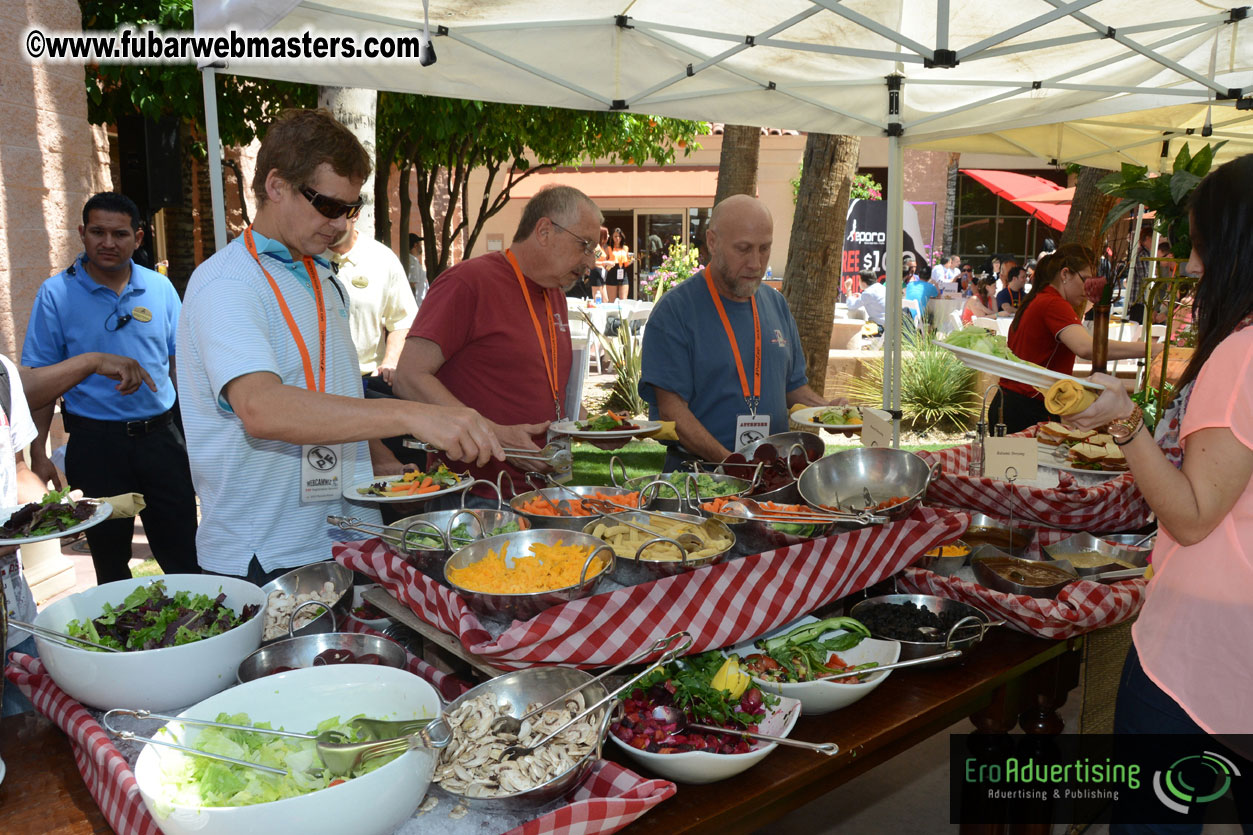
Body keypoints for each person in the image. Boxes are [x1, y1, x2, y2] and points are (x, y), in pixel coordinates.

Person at [177, 109, 502, 583]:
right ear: (275, 186)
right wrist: (409, 414)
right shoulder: (227, 282)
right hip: (267, 552)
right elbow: (261, 408)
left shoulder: (322, 277)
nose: (340, 224)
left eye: (350, 209)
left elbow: (334, 390)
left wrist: (379, 454)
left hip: (343, 532)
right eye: (328, 205)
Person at [1064, 153, 1253, 790]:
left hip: (1202, 644)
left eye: (1201, 246)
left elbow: (1193, 517)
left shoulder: (1241, 354)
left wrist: (1126, 424)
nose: (1193, 267)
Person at [21, 192, 199, 584]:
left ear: (138, 238)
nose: (107, 242)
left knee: (184, 555)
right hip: (96, 447)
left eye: (119, 234)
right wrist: (37, 451)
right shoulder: (56, 294)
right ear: (82, 233)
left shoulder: (160, 288)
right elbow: (40, 380)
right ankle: (120, 643)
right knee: (110, 563)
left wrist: (196, 438)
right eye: (97, 232)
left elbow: (183, 366)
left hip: (162, 442)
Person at [394, 184, 601, 501]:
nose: (591, 262)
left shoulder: (554, 293)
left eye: (593, 250)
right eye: (585, 245)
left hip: (539, 491)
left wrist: (599, 430)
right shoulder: (467, 283)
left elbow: (544, 388)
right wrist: (494, 434)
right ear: (544, 231)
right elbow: (408, 377)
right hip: (472, 493)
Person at [638, 195, 841, 470]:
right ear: (712, 242)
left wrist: (832, 412)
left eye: (764, 248)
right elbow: (671, 412)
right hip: (699, 481)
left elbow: (794, 387)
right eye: (743, 249)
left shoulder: (776, 303)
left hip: (769, 478)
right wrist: (733, 465)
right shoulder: (675, 312)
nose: (756, 263)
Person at [989, 244, 1160, 432]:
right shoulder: (1054, 303)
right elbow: (1086, 348)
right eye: (1085, 279)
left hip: (1011, 403)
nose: (1087, 287)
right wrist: (1150, 349)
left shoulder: (1040, 298)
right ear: (1065, 274)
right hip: (1028, 408)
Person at [329, 218, 419, 392]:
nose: (329, 219)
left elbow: (403, 321)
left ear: (356, 213)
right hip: (310, 384)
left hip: (366, 383)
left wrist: (390, 361)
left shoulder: (382, 259)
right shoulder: (300, 256)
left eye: (337, 209)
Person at [847, 269, 887, 334]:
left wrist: (848, 288)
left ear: (863, 283)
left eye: (859, 280)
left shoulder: (868, 293)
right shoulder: (882, 287)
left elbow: (851, 305)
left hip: (880, 328)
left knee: (851, 330)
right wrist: (861, 296)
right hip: (888, 325)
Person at [1126, 228, 1153, 324]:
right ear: (1148, 239)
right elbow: (1145, 277)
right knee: (1136, 329)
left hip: (1141, 300)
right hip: (1139, 300)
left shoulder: (1146, 254)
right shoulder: (1142, 254)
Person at [604, 227, 632, 302]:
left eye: (619, 236)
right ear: (612, 237)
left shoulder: (625, 248)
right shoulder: (609, 248)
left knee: (623, 300)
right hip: (612, 273)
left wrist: (631, 260)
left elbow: (626, 263)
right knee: (611, 300)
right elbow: (604, 261)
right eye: (615, 236)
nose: (617, 238)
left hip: (622, 272)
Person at [584, 226, 612, 301]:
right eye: (607, 234)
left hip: (602, 273)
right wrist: (605, 262)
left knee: (605, 299)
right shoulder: (597, 247)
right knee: (598, 299)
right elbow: (592, 261)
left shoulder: (602, 247)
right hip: (596, 272)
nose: (609, 236)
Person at [407, 233, 428, 307]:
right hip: (417, 306)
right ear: (415, 245)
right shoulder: (412, 261)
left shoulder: (412, 260)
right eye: (420, 244)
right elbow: (412, 284)